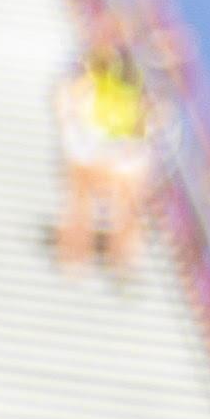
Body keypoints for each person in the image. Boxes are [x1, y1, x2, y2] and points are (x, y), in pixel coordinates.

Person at [49, 16, 157, 272]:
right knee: (81, 204)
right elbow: (67, 100)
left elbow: (147, 114)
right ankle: (74, 256)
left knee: (127, 205)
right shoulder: (87, 67)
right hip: (89, 147)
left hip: (115, 149)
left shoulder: (135, 74)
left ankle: (120, 259)